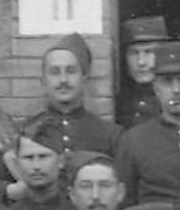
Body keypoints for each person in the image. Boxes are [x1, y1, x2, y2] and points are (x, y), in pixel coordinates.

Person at [115, 40, 180, 208]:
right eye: (167, 82)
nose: (176, 90)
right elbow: (124, 201)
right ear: (156, 89)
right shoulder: (134, 140)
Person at [21, 32, 120, 161]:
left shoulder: (110, 134)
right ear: (43, 81)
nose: (63, 80)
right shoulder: (25, 132)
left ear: (84, 78)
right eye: (55, 72)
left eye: (71, 71)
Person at [116, 15, 167, 127]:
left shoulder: (173, 98)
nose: (141, 62)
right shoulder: (119, 101)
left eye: (148, 52)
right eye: (134, 53)